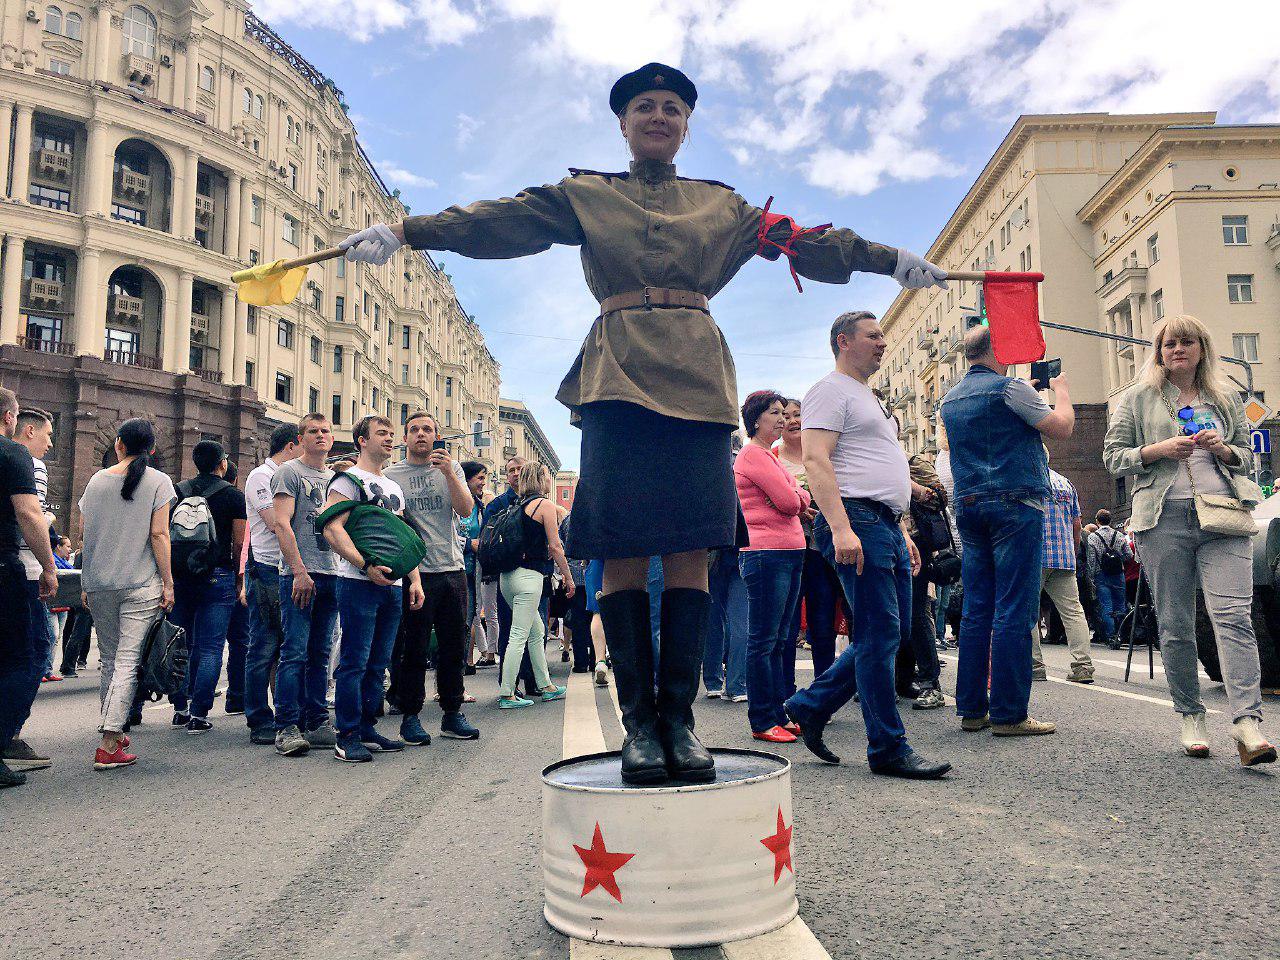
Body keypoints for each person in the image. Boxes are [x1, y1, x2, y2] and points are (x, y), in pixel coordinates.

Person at [340, 62, 945, 784]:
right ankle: (640, 729)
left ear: (686, 125)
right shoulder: (587, 194)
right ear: (623, 125)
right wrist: (408, 230)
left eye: (672, 108)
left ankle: (679, 723)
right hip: (616, 382)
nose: (659, 116)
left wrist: (891, 261)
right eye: (644, 107)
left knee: (691, 551)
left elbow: (810, 241)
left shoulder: (722, 208)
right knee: (623, 552)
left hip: (696, 388)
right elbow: (503, 221)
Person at [783, 312, 951, 779]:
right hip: (855, 520)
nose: (883, 343)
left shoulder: (868, 399)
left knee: (884, 636)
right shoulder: (829, 391)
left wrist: (900, 528)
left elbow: (876, 466)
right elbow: (817, 460)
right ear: (844, 342)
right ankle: (887, 748)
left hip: (883, 524)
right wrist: (839, 528)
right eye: (873, 336)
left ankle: (809, 706)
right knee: (879, 637)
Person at [1103, 314, 1273, 765]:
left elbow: (1244, 456)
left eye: (1187, 342)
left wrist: (1223, 449)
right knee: (1176, 623)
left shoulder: (1225, 397)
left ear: (1201, 348)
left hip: (1223, 516)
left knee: (1234, 617)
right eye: (1169, 343)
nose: (1178, 349)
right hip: (1163, 518)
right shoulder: (1138, 399)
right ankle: (1190, 715)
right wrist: (1157, 450)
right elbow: (1112, 457)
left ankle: (1247, 724)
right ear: (1159, 351)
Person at [939, 325, 1073, 739]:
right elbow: (1063, 428)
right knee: (1015, 607)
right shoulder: (1011, 390)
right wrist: (1061, 390)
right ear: (996, 349)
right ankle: (1010, 713)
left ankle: (972, 710)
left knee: (977, 608)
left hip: (970, 504)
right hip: (1015, 503)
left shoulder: (949, 398)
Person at [322, 415, 425, 762]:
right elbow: (332, 529)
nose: (389, 439)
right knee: (354, 660)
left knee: (378, 661)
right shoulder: (347, 480)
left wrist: (414, 580)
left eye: (391, 434)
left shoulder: (393, 488)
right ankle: (346, 734)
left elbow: (402, 540)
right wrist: (364, 565)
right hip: (357, 583)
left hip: (392, 587)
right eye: (381, 433)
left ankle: (366, 728)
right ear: (361, 440)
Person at [79, 418, 175, 773]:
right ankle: (108, 742)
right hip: (140, 584)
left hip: (101, 583)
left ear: (118, 443)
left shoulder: (96, 479)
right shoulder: (159, 481)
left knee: (109, 659)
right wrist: (168, 582)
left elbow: (86, 533)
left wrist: (87, 582)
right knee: (126, 661)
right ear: (150, 449)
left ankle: (113, 731)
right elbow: (159, 535)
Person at [386, 411, 481, 743]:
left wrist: (450, 474)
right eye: (414, 430)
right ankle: (410, 716)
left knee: (453, 647)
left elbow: (467, 510)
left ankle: (452, 713)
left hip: (452, 570)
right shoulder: (391, 475)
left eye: (428, 430)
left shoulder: (450, 468)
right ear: (406, 437)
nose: (421, 435)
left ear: (436, 435)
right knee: (413, 647)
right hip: (416, 574)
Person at [735, 390, 811, 744]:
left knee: (781, 639)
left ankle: (777, 712)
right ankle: (763, 718)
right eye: (774, 413)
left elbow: (799, 496)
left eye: (784, 413)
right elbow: (788, 499)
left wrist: (795, 497)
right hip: (766, 553)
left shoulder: (771, 456)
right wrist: (795, 497)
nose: (782, 419)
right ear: (755, 420)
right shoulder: (753, 455)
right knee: (765, 640)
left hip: (789, 551)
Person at [271, 414, 341, 756]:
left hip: (332, 574)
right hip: (300, 575)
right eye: (313, 431)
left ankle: (316, 721)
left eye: (325, 431)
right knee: (294, 652)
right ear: (300, 438)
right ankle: (286, 725)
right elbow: (281, 524)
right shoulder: (289, 473)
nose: (321, 436)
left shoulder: (335, 479)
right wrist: (298, 570)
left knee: (321, 653)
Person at [0, 390, 58, 787]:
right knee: (24, 658)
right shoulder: (14, 454)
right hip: (5, 568)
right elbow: (28, 512)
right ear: (9, 417)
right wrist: (50, 567)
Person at [169, 440, 246, 734]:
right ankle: (199, 715)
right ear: (223, 464)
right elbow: (238, 542)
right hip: (218, 575)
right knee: (212, 646)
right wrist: (239, 577)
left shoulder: (178, 491)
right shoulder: (233, 496)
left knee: (180, 643)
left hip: (180, 576)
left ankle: (179, 708)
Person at [776, 398, 841, 683]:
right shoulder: (772, 458)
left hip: (821, 551)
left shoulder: (822, 458)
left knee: (823, 623)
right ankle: (786, 696)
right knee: (787, 626)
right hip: (787, 551)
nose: (792, 420)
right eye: (785, 416)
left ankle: (821, 696)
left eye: (798, 415)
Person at [497, 461, 571, 709]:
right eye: (547, 476)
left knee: (536, 631)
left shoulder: (518, 505)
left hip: (507, 577)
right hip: (529, 578)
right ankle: (507, 693)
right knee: (518, 635)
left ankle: (546, 685)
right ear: (540, 479)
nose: (550, 480)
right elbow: (555, 546)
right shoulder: (545, 505)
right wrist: (568, 577)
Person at [243, 423, 299, 743]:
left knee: (287, 647)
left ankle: (284, 712)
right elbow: (275, 521)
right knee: (263, 647)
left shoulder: (286, 475)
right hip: (266, 569)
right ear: (291, 446)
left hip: (286, 568)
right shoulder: (261, 477)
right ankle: (258, 717)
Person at [1031, 462, 1095, 684]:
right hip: (1064, 557)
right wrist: (1073, 553)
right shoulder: (1066, 483)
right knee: (1073, 612)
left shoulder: (1027, 479)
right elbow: (1076, 524)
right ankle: (1083, 666)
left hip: (1034, 556)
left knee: (1029, 612)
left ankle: (1035, 666)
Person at [483, 456, 536, 696]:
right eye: (511, 470)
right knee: (509, 629)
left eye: (519, 469)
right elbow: (488, 539)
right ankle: (510, 683)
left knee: (536, 632)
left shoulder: (536, 502)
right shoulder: (498, 504)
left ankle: (534, 680)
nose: (515, 473)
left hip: (536, 574)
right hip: (508, 572)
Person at [13, 409, 58, 688]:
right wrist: (49, 567)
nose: (50, 443)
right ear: (30, 431)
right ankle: (11, 725)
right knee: (40, 647)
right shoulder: (33, 465)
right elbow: (31, 517)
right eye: (48, 435)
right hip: (26, 569)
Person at [899, 453, 947, 709]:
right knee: (889, 614)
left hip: (916, 542)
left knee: (916, 613)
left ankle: (930, 683)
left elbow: (940, 499)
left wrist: (910, 487)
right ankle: (901, 679)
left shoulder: (913, 462)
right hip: (881, 538)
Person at [458, 461, 494, 668]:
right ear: (466, 479)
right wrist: (468, 544)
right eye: (480, 478)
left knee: (469, 618)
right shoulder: (454, 502)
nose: (483, 483)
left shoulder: (479, 506)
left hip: (472, 572)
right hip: (451, 570)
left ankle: (466, 662)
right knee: (456, 622)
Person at [1086, 509, 1133, 651]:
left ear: (1097, 521)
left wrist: (1091, 577)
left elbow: (1092, 560)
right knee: (1120, 604)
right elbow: (1129, 555)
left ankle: (1112, 636)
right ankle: (1122, 633)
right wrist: (1118, 560)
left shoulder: (1093, 538)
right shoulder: (1119, 535)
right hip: (1118, 574)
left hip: (1101, 575)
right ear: (1111, 521)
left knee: (1106, 605)